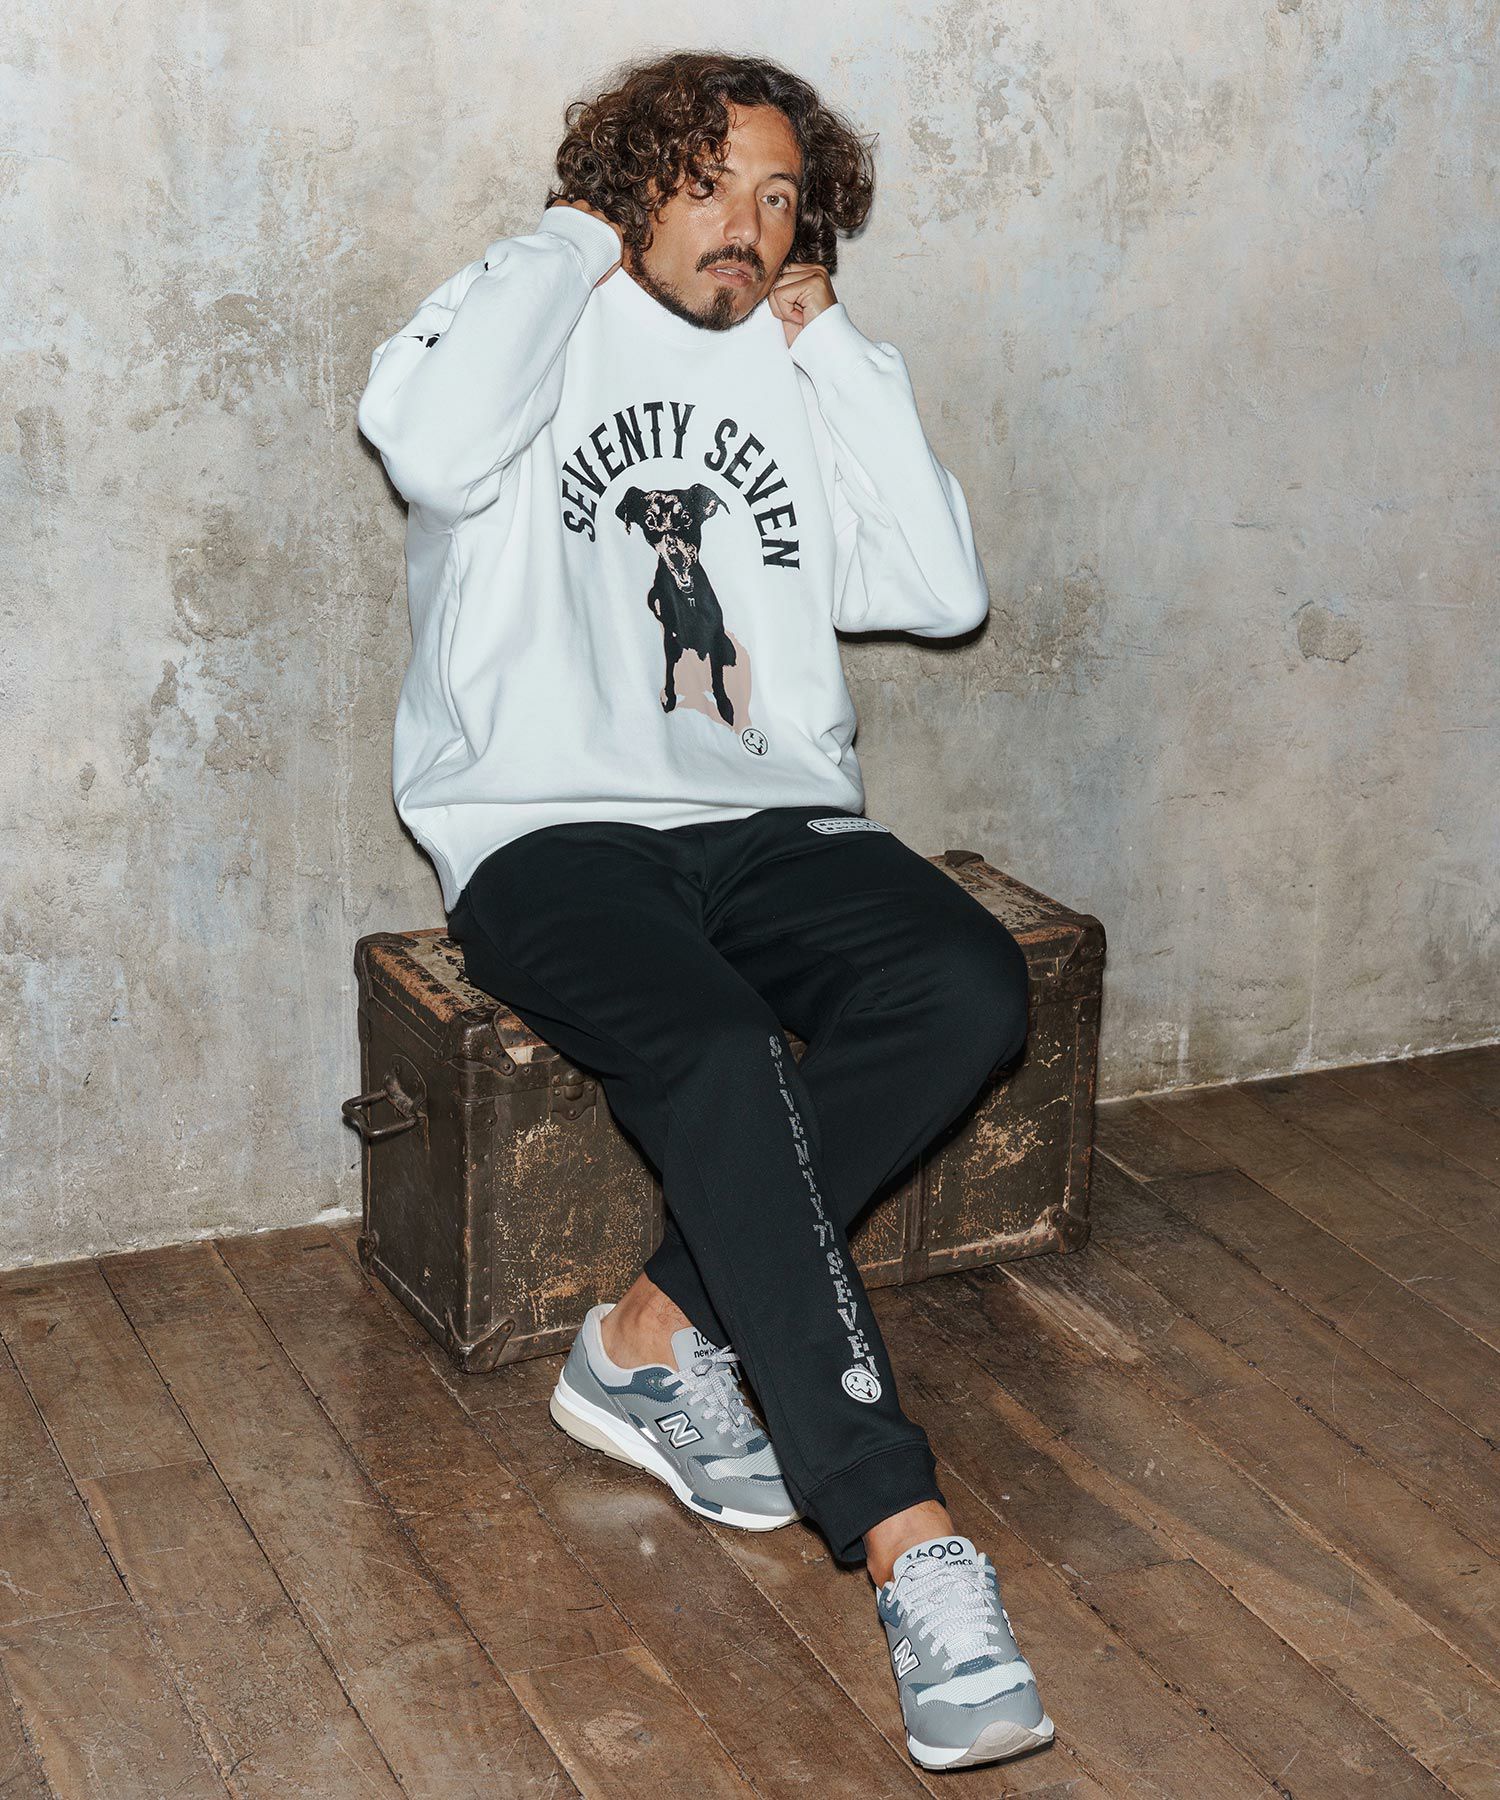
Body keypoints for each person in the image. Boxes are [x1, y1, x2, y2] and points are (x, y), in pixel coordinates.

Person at [357, 49, 1054, 1773]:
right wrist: (567, 242)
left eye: (780, 200)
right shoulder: (523, 313)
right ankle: (907, 1537)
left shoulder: (791, 361)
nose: (748, 226)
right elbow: (428, 449)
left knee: (968, 985)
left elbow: (938, 588)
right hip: (548, 834)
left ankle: (655, 1330)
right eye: (709, 183)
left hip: (769, 817)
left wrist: (836, 348)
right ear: (629, 184)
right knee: (724, 1050)